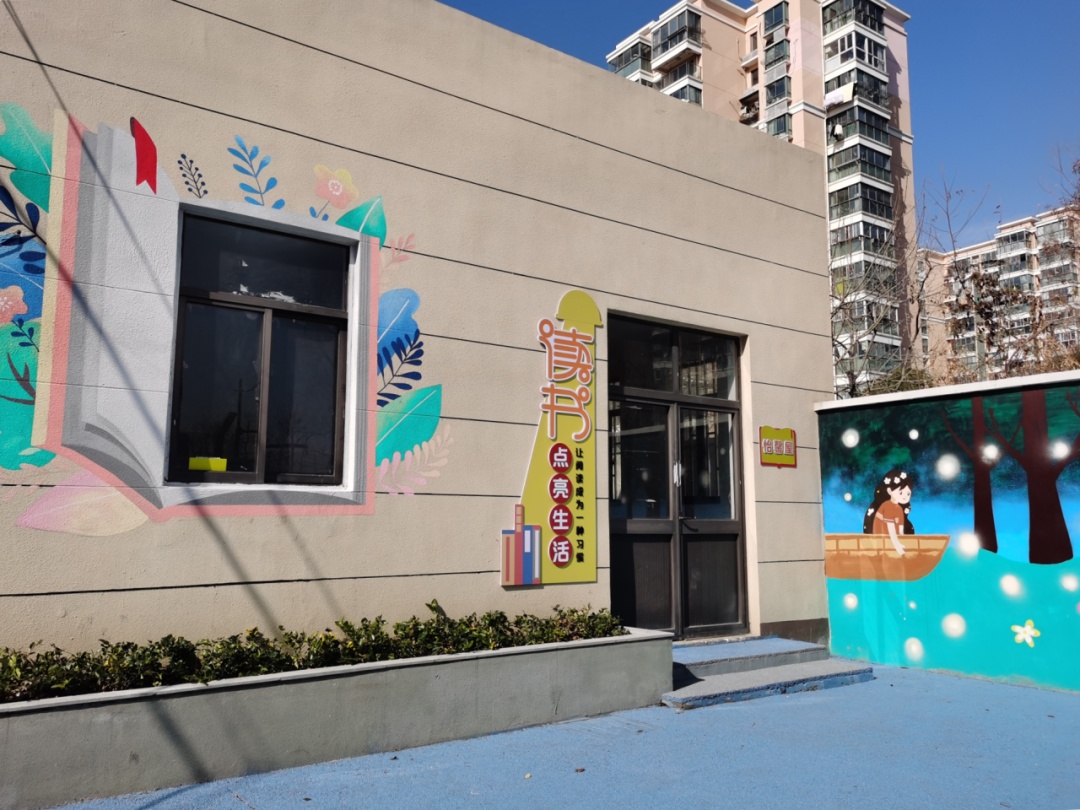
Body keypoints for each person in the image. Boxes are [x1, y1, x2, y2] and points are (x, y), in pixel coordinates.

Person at [863, 469, 914, 556]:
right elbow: (891, 530)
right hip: (882, 540)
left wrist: (902, 541)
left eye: (908, 494)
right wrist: (897, 546)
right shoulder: (887, 506)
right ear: (890, 491)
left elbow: (900, 529)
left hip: (892, 540)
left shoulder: (899, 509)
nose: (905, 496)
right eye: (901, 492)